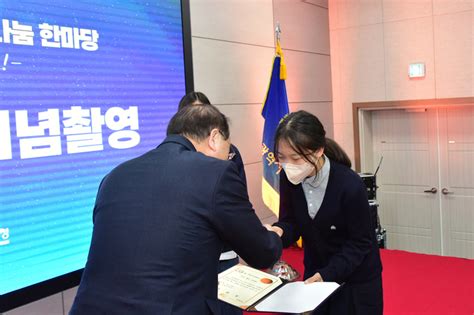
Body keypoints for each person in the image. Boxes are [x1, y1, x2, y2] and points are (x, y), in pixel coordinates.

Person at [70, 104, 282, 315]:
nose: (228, 159)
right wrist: (273, 235)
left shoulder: (115, 175)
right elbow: (262, 253)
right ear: (215, 137)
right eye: (228, 153)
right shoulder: (216, 173)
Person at [265, 110, 383, 315]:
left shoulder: (349, 184)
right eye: (282, 158)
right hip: (315, 275)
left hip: (355, 281)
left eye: (295, 157)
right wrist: (279, 232)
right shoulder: (288, 178)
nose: (288, 165)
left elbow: (360, 243)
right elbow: (291, 221)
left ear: (318, 150)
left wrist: (326, 274)